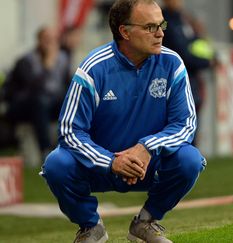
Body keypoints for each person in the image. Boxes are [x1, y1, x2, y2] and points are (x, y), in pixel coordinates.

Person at [41, 0, 206, 242]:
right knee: (56, 164)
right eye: (150, 27)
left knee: (190, 160)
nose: (160, 33)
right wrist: (111, 162)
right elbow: (70, 132)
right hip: (100, 166)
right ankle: (91, 226)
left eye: (162, 25)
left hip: (148, 165)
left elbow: (185, 125)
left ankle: (146, 222)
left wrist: (147, 147)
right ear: (125, 32)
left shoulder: (172, 63)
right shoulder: (94, 68)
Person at [3, 26, 70, 158]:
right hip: (25, 104)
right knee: (40, 101)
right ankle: (46, 150)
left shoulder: (63, 58)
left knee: (70, 101)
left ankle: (71, 147)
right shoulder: (27, 60)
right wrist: (48, 64)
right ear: (39, 41)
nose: (51, 44)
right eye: (47, 40)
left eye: (54, 40)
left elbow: (68, 85)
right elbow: (33, 89)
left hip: (52, 103)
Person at [161, 0, 215, 145]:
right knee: (180, 128)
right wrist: (206, 62)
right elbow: (181, 53)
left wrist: (198, 36)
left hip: (191, 80)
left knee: (192, 127)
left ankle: (190, 161)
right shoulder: (163, 21)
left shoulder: (183, 19)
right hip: (176, 81)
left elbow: (189, 43)